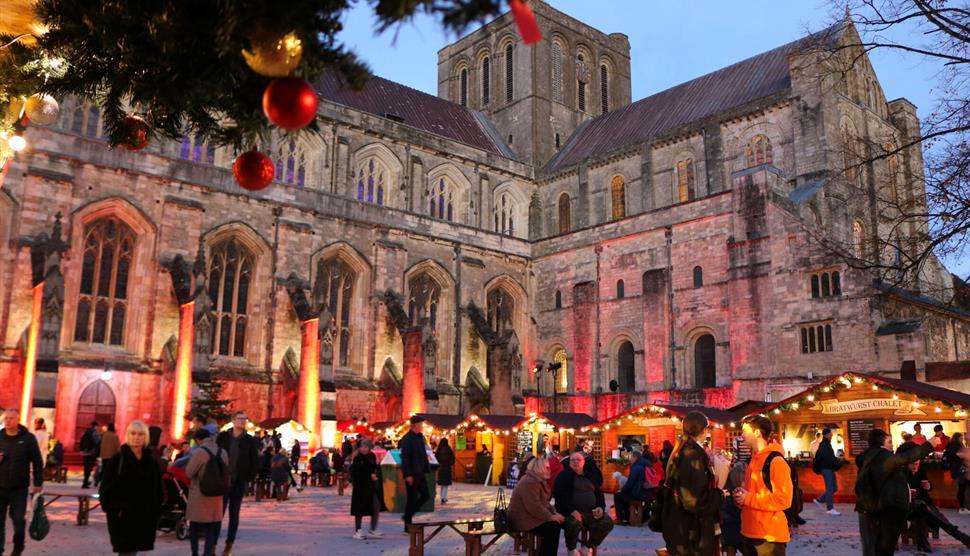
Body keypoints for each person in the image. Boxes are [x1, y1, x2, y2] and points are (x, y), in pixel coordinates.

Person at [855, 427, 933, 555]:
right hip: (875, 506)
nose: (892, 447)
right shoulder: (882, 456)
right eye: (889, 442)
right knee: (878, 546)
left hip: (868, 505)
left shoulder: (869, 457)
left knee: (872, 544)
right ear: (881, 444)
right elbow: (906, 457)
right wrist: (929, 445)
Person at [659, 411, 724, 556]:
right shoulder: (691, 455)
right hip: (691, 533)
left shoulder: (682, 450)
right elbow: (694, 500)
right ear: (703, 430)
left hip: (683, 528)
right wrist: (719, 495)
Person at [99, 420, 162, 555]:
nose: (136, 437)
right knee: (126, 552)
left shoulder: (150, 460)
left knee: (133, 551)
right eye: (133, 433)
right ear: (128, 435)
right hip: (123, 517)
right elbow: (105, 490)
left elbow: (158, 488)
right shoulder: (118, 459)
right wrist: (116, 510)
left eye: (140, 434)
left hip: (144, 516)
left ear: (145, 437)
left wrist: (155, 511)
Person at [733, 415, 792, 556]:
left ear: (757, 432)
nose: (742, 435)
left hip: (769, 536)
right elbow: (753, 493)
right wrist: (741, 496)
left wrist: (748, 498)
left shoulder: (776, 461)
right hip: (749, 532)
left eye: (745, 430)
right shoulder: (753, 460)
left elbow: (783, 499)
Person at [215, 410, 260, 556]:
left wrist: (249, 478)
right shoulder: (223, 437)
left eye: (245, 419)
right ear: (233, 420)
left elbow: (254, 461)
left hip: (239, 481)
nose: (243, 421)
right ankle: (213, 544)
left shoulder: (249, 440)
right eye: (240, 419)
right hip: (223, 481)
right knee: (218, 514)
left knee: (234, 514)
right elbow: (215, 455)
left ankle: (229, 544)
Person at [0, 408, 43, 556]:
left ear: (18, 420)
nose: (7, 421)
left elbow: (37, 461)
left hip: (19, 488)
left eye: (11, 418)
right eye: (5, 418)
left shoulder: (28, 439)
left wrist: (38, 483)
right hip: (0, 486)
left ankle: (18, 545)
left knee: (18, 519)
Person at [553, 451, 614, 556]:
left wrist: (600, 507)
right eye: (573, 460)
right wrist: (572, 510)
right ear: (569, 462)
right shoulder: (563, 476)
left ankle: (588, 546)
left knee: (607, 522)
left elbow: (599, 494)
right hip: (570, 512)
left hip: (590, 512)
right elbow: (561, 497)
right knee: (573, 523)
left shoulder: (590, 476)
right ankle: (571, 549)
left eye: (579, 460)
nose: (576, 462)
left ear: (583, 462)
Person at [509, 455, 565, 556]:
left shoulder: (538, 480)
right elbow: (534, 506)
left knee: (558, 523)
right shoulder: (530, 482)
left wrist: (554, 513)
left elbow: (544, 503)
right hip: (522, 518)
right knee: (552, 528)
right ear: (539, 468)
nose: (550, 470)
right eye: (547, 468)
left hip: (530, 516)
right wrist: (550, 517)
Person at [186, 428, 227, 556]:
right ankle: (208, 553)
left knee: (194, 526)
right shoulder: (223, 452)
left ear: (198, 440)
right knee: (211, 528)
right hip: (217, 495)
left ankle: (195, 553)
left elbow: (189, 472)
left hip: (200, 494)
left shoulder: (200, 452)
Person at [349, 439, 386, 539]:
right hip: (360, 487)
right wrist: (369, 475)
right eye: (361, 447)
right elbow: (357, 473)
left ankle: (373, 529)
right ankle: (358, 531)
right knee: (359, 510)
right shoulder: (357, 458)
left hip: (371, 487)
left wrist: (375, 474)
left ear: (369, 447)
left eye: (365, 447)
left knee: (376, 506)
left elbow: (374, 468)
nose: (363, 449)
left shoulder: (372, 456)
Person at [398, 415, 431, 529]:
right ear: (415, 425)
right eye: (421, 424)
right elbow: (405, 457)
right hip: (412, 473)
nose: (422, 426)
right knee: (412, 498)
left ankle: (408, 515)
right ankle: (408, 524)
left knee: (426, 495)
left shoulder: (420, 437)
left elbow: (423, 455)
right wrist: (407, 474)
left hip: (420, 472)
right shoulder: (407, 439)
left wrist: (426, 468)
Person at [614, 450, 655, 524]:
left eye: (631, 457)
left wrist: (622, 490)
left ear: (635, 457)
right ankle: (630, 516)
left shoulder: (636, 467)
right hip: (646, 493)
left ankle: (621, 518)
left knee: (618, 496)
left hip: (637, 494)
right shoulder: (646, 464)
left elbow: (630, 483)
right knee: (624, 495)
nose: (630, 459)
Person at [811, 427, 842, 515]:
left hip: (828, 468)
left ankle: (819, 500)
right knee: (830, 488)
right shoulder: (825, 445)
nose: (831, 435)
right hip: (827, 468)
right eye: (830, 434)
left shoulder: (826, 444)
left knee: (834, 488)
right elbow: (828, 459)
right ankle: (830, 508)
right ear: (826, 435)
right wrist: (837, 464)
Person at [721, 464, 747, 556]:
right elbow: (737, 511)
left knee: (730, 550)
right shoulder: (738, 492)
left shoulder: (724, 490)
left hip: (727, 530)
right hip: (738, 531)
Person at [943, 433, 968, 513]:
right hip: (960, 469)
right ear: (958, 438)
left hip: (956, 469)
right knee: (962, 488)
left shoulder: (950, 445)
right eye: (961, 438)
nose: (962, 439)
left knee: (961, 488)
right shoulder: (957, 446)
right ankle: (962, 507)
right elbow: (959, 456)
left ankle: (962, 507)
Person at [79, 420, 101, 488]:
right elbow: (98, 442)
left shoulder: (86, 432)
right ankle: (85, 482)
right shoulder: (94, 433)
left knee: (86, 467)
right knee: (89, 468)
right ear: (96, 426)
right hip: (91, 452)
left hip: (85, 452)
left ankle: (85, 481)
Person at [434, 437, 454, 504]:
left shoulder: (439, 450)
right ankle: (444, 497)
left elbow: (435, 458)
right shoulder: (449, 450)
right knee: (446, 484)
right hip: (447, 468)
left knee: (442, 483)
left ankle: (442, 497)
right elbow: (452, 460)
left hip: (441, 468)